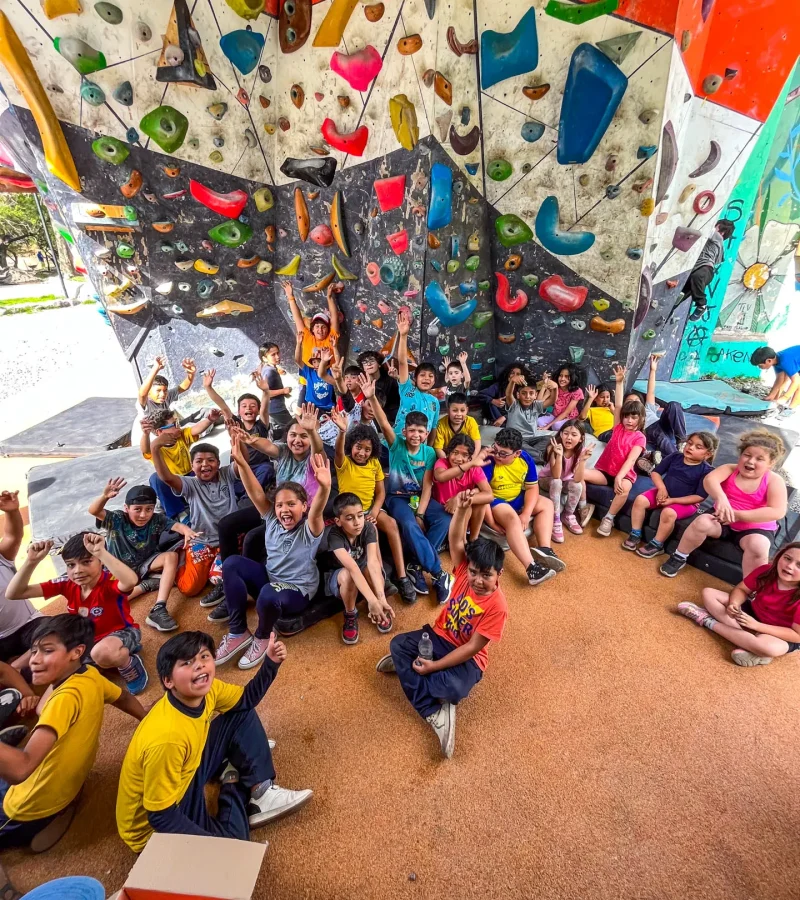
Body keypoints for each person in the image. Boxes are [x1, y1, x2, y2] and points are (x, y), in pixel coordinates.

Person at [116, 630, 312, 854]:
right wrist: (213, 848)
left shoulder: (208, 690)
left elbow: (246, 699)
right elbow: (161, 816)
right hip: (156, 827)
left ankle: (261, 794)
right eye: (187, 662)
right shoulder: (167, 739)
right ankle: (232, 780)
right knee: (233, 846)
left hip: (185, 771)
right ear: (168, 681)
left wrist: (270, 664)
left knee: (241, 713)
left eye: (203, 656)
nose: (199, 665)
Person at [0, 615, 143, 875]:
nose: (34, 659)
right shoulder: (89, 675)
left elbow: (21, 770)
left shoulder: (62, 701)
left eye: (47, 651)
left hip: (24, 808)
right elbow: (122, 697)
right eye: (33, 651)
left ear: (76, 652)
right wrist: (146, 718)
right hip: (66, 783)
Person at [376, 491, 508, 759]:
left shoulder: (498, 606)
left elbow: (473, 648)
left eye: (486, 575)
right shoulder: (462, 571)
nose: (478, 580)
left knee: (452, 689)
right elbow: (457, 538)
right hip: (437, 637)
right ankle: (431, 707)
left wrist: (435, 666)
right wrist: (460, 510)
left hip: (467, 659)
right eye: (473, 572)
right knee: (398, 644)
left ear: (499, 574)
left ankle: (412, 674)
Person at [216, 437, 331, 667]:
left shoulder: (310, 528)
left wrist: (325, 486)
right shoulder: (271, 519)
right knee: (231, 564)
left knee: (269, 593)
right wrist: (241, 462)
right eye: (280, 505)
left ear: (304, 506)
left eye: (291, 504)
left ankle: (262, 636)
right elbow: (256, 494)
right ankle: (238, 631)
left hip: (297, 590)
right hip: (271, 579)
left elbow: (318, 511)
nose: (284, 509)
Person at [6, 534, 148, 694]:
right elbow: (14, 593)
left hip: (123, 632)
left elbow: (130, 581)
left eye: (86, 562)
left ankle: (128, 663)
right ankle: (104, 661)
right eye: (70, 565)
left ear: (100, 562)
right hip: (85, 640)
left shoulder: (109, 582)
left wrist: (101, 552)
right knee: (63, 669)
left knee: (101, 653)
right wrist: (31, 562)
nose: (78, 570)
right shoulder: (67, 583)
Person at [364, 379, 452, 603]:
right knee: (409, 524)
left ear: (426, 433)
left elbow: (429, 486)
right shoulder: (396, 445)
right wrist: (372, 397)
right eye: (411, 430)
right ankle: (439, 573)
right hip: (397, 499)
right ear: (404, 431)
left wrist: (422, 512)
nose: (415, 434)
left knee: (443, 518)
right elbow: (384, 423)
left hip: (418, 498)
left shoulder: (430, 453)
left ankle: (414, 564)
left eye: (420, 431)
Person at [660, 430, 788, 578]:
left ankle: (752, 586)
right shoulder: (730, 469)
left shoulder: (774, 480)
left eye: (759, 459)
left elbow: (777, 511)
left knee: (759, 546)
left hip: (754, 528)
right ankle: (679, 556)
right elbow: (709, 480)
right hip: (721, 519)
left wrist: (737, 515)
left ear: (770, 463)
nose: (750, 461)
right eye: (747, 455)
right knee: (701, 522)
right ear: (740, 455)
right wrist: (721, 498)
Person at [88, 480, 199, 633]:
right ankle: (146, 585)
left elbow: (177, 526)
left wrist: (187, 531)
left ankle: (159, 608)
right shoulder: (117, 519)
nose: (143, 514)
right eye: (137, 509)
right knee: (109, 602)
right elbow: (94, 510)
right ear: (126, 508)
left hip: (145, 563)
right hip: (120, 572)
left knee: (172, 557)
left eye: (149, 509)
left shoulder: (156, 519)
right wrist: (105, 496)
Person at [331, 407, 416, 604]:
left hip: (371, 509)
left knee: (392, 525)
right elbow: (337, 451)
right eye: (358, 447)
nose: (362, 452)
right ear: (351, 445)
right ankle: (382, 581)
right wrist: (343, 432)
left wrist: (376, 511)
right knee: (373, 536)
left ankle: (402, 576)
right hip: (353, 513)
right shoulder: (344, 463)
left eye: (367, 449)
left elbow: (381, 493)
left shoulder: (375, 464)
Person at [677, 542, 800, 667]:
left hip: (780, 633)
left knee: (770, 648)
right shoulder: (766, 570)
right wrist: (733, 603)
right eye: (787, 558)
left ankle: (707, 621)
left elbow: (796, 635)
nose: (789, 566)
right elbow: (742, 589)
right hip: (754, 612)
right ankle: (749, 645)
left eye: (799, 565)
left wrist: (757, 626)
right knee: (709, 593)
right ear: (780, 556)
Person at [149, 440, 239, 606]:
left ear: (218, 463)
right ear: (192, 466)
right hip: (202, 541)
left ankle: (212, 568)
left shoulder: (227, 474)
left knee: (217, 578)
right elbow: (166, 477)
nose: (205, 465)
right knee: (189, 588)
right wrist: (155, 447)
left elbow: (241, 463)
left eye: (211, 460)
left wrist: (237, 442)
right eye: (199, 461)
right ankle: (176, 563)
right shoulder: (190, 484)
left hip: (229, 541)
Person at [481, 427, 565, 585]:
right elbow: (482, 494)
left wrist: (526, 513)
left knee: (547, 504)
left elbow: (532, 487)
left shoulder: (525, 459)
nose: (497, 455)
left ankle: (545, 549)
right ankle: (531, 568)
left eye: (503, 453)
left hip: (516, 497)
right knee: (512, 519)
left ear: (517, 453)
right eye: (496, 449)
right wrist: (491, 522)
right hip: (495, 500)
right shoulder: (488, 461)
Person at [623, 432, 718, 557]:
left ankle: (657, 544)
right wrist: (662, 488)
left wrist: (673, 501)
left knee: (668, 513)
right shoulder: (675, 456)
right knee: (640, 500)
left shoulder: (707, 471)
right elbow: (656, 473)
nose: (690, 447)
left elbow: (699, 497)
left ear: (707, 454)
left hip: (686, 502)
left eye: (698, 447)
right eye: (689, 443)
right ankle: (635, 532)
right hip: (664, 493)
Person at [325, 493, 395, 644]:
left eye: (360, 515)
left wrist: (379, 599)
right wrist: (371, 601)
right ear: (338, 521)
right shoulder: (334, 536)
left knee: (371, 569)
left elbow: (373, 562)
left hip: (362, 568)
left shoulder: (368, 528)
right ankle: (350, 614)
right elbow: (352, 569)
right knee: (349, 575)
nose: (357, 522)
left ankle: (379, 608)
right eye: (350, 518)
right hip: (340, 576)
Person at [141, 407, 222, 520]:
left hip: (190, 478)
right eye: (174, 424)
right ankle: (180, 515)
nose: (178, 427)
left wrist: (210, 419)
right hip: (172, 482)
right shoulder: (155, 448)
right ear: (160, 432)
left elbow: (196, 429)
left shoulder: (181, 436)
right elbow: (145, 450)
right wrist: (145, 434)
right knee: (155, 478)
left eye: (177, 423)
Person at [203, 369, 275, 490]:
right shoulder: (235, 424)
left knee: (267, 470)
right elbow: (223, 405)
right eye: (244, 406)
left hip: (260, 465)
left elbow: (265, 408)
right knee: (228, 479)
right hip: (240, 466)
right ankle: (240, 492)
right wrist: (208, 387)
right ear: (239, 411)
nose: (249, 408)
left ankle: (248, 496)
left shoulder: (261, 425)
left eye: (253, 406)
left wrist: (266, 391)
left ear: (257, 411)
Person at [584, 399, 647, 537]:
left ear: (641, 418)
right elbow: (618, 405)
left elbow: (631, 460)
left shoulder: (640, 437)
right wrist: (619, 382)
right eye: (626, 417)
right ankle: (583, 507)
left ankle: (609, 518)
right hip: (606, 472)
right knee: (580, 474)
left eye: (634, 417)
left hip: (625, 474)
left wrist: (619, 477)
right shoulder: (618, 427)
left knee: (624, 488)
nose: (629, 420)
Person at [0, 490, 42, 668]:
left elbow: (13, 536)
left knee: (60, 634)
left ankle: (15, 668)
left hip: (29, 624)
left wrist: (11, 511)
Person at [623, 356, 687, 466]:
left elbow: (651, 391)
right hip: (650, 430)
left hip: (662, 425)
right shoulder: (626, 416)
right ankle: (678, 460)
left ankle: (681, 441)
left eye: (636, 400)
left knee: (674, 405)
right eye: (629, 401)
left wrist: (653, 370)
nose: (634, 402)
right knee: (659, 435)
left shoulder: (647, 408)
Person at [431, 435, 493, 540]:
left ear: (469, 457)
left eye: (465, 455)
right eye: (455, 453)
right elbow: (441, 477)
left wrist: (459, 497)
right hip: (443, 511)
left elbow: (489, 495)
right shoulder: (442, 463)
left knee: (474, 503)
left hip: (460, 512)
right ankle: (461, 542)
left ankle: (473, 540)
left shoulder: (474, 469)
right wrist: (471, 464)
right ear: (449, 452)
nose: (459, 459)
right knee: (467, 506)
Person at [537, 423, 592, 541]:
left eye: (574, 435)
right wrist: (559, 455)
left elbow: (577, 479)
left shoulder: (580, 451)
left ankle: (568, 515)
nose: (569, 437)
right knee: (557, 482)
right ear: (561, 434)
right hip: (546, 481)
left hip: (565, 482)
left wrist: (582, 460)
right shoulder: (553, 447)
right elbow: (556, 476)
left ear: (581, 438)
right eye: (566, 433)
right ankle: (555, 518)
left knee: (577, 485)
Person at [677, 218, 735, 321]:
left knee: (696, 277)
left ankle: (701, 305)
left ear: (721, 231)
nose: (714, 227)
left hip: (704, 270)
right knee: (677, 298)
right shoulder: (717, 245)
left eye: (716, 226)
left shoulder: (718, 237)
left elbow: (706, 228)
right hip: (698, 272)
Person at [394, 309, 440, 434]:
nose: (426, 378)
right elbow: (402, 363)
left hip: (420, 449)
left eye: (430, 376)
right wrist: (403, 336)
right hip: (399, 443)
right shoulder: (407, 388)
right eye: (422, 375)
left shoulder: (435, 402)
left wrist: (427, 451)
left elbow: (433, 428)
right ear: (415, 378)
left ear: (434, 381)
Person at [282, 279, 340, 367]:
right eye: (317, 326)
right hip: (309, 374)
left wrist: (329, 297)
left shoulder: (331, 338)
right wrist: (290, 297)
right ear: (312, 329)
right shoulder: (306, 337)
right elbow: (298, 319)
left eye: (323, 327)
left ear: (328, 329)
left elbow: (334, 317)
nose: (320, 329)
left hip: (329, 374)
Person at [503, 372, 552, 457]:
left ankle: (530, 455)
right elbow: (508, 394)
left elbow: (552, 400)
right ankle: (538, 457)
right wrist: (512, 382)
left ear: (535, 395)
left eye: (531, 393)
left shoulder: (536, 406)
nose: (527, 397)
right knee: (515, 444)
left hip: (531, 439)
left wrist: (555, 389)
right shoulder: (514, 405)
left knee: (550, 439)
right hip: (516, 439)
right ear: (518, 395)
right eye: (524, 393)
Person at [258, 341, 294, 440]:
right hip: (277, 409)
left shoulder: (268, 368)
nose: (277, 356)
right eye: (273, 355)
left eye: (278, 353)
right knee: (292, 428)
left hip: (273, 409)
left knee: (278, 432)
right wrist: (283, 391)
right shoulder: (269, 372)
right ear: (264, 358)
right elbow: (267, 393)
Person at [751, 343, 800, 412]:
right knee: (785, 377)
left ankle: (791, 408)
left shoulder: (784, 361)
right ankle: (776, 400)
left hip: (794, 361)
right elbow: (780, 379)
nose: (759, 368)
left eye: (760, 365)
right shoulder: (776, 361)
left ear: (769, 361)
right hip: (796, 360)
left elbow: (796, 381)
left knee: (798, 384)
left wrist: (785, 397)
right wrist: (771, 396)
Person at [433, 392, 481, 460]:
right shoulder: (441, 424)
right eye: (455, 410)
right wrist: (448, 462)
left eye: (462, 410)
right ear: (448, 410)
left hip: (466, 457)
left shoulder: (471, 422)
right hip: (447, 457)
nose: (459, 414)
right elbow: (438, 448)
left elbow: (477, 443)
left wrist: (471, 459)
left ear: (467, 410)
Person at [537, 364, 585, 430]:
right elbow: (539, 403)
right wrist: (544, 384)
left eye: (566, 376)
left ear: (573, 377)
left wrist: (547, 426)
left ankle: (551, 427)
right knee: (539, 421)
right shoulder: (554, 386)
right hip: (555, 416)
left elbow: (566, 413)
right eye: (560, 375)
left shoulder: (577, 391)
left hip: (568, 418)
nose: (562, 379)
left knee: (556, 426)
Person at [357, 350, 400, 423]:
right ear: (363, 368)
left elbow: (410, 388)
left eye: (372, 361)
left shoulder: (390, 378)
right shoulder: (362, 383)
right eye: (365, 362)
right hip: (373, 420)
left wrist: (398, 377)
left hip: (393, 419)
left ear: (379, 364)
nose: (369, 364)